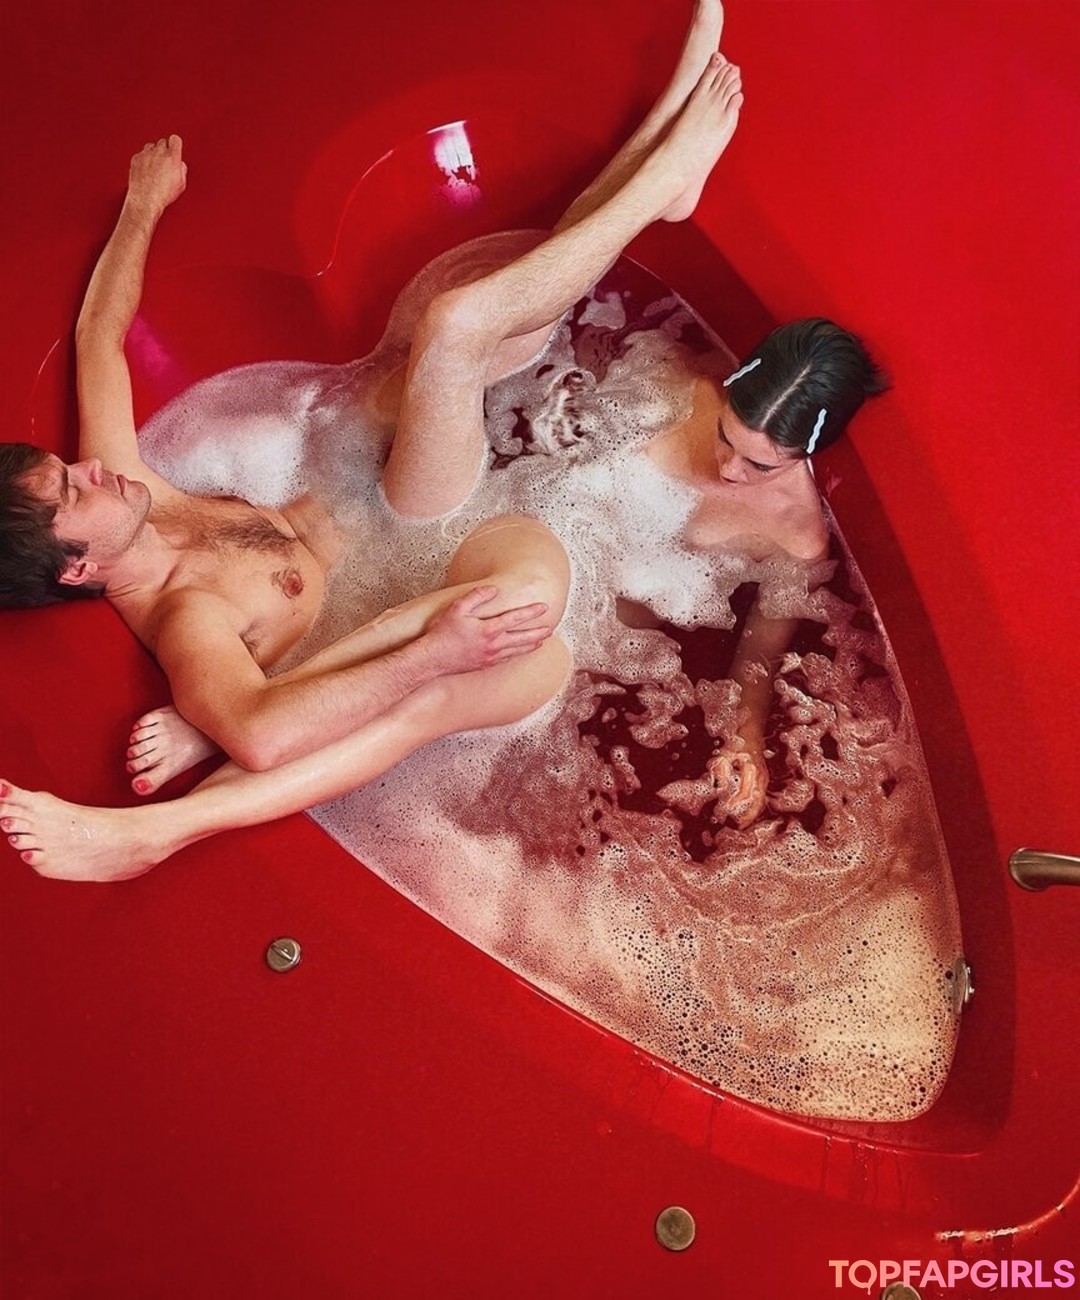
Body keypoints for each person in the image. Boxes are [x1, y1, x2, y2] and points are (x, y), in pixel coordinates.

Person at [1, 0, 762, 880]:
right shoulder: (184, 617)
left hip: (381, 487)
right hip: (418, 547)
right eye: (72, 492)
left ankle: (660, 169)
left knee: (482, 321)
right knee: (462, 326)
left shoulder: (130, 488)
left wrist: (142, 205)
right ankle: (660, 183)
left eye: (67, 469)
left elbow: (100, 335)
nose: (90, 469)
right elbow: (258, 732)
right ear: (78, 569)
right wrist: (427, 654)